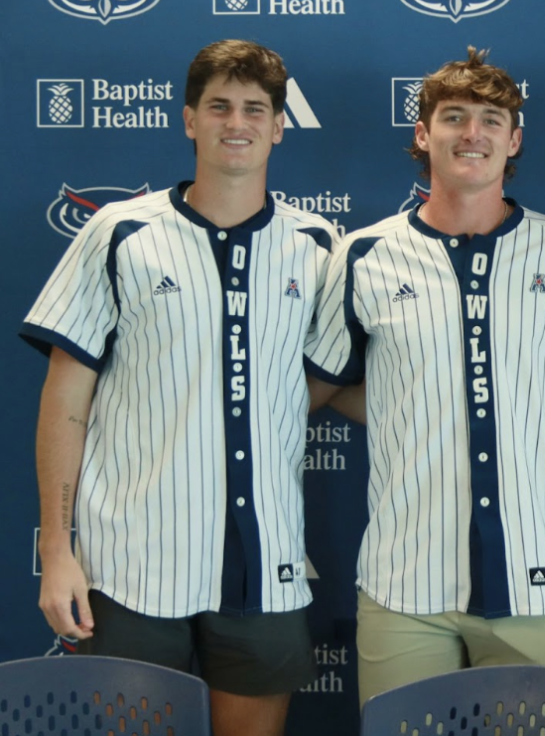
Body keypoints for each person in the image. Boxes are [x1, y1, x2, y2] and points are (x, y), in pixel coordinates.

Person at [22, 39, 338, 736]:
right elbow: (65, 400)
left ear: (280, 124)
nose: (238, 121)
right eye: (219, 105)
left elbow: (322, 382)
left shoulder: (318, 245)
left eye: (256, 108)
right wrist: (56, 548)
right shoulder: (120, 232)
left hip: (266, 560)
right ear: (189, 118)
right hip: (132, 559)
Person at [305, 47, 545, 706]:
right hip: (404, 582)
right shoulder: (366, 255)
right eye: (453, 116)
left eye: (491, 118)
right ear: (423, 134)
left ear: (514, 139)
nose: (472, 133)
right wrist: (413, 405)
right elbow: (311, 387)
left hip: (533, 580)